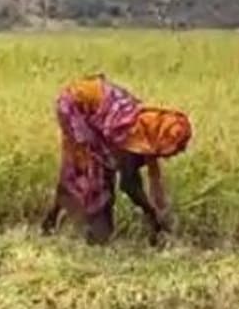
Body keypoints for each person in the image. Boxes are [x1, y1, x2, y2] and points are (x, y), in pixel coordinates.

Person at [41, 73, 193, 245]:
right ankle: (88, 233)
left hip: (93, 109)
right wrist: (153, 215)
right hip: (76, 107)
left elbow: (139, 178)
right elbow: (128, 184)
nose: (180, 151)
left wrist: (153, 212)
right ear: (162, 140)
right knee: (93, 176)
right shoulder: (128, 133)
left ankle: (52, 224)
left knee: (85, 170)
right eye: (178, 146)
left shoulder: (147, 133)